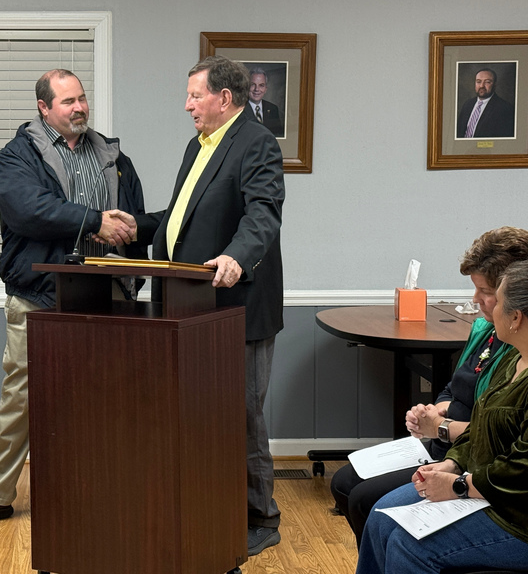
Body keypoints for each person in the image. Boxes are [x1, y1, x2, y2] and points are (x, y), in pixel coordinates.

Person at [0, 69, 146, 529]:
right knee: (21, 396)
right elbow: (28, 211)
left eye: (82, 99)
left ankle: (102, 490)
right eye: (68, 101)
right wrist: (94, 221)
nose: (79, 108)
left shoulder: (113, 155)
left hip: (106, 295)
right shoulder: (18, 155)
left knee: (108, 396)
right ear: (43, 107)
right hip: (39, 295)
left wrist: (133, 266)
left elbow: (133, 217)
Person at [129, 55, 285, 556]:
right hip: (189, 306)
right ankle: (213, 506)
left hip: (238, 306)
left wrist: (237, 256)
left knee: (242, 416)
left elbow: (263, 213)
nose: (187, 105)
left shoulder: (256, 141)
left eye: (195, 95)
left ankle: (261, 517)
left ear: (225, 98)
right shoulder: (199, 144)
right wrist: (136, 226)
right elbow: (182, 215)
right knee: (201, 416)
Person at [330, 226, 528, 546]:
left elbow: (496, 436)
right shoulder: (487, 332)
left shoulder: (516, 349)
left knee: (368, 503)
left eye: (486, 291)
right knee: (344, 482)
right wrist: (436, 408)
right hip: (452, 451)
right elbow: (455, 387)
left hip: (471, 462)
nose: (475, 299)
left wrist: (440, 429)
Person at [456, 67, 515, 139]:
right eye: (478, 82)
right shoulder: (468, 104)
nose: (482, 86)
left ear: (495, 85)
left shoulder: (505, 109)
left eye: (487, 82)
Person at [244, 68, 284, 137]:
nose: (256, 89)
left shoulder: (273, 109)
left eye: (261, 85)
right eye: (253, 84)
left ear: (265, 89)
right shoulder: (239, 108)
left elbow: (278, 136)